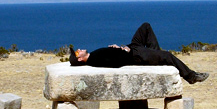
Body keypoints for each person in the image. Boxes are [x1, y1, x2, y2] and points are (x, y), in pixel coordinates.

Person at [69, 22, 209, 84]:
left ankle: (155, 56)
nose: (79, 49)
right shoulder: (95, 60)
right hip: (134, 55)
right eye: (77, 52)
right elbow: (115, 63)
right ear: (80, 59)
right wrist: (124, 52)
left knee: (145, 27)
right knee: (167, 56)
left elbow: (111, 56)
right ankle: (191, 76)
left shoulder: (94, 55)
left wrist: (118, 47)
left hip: (131, 49)